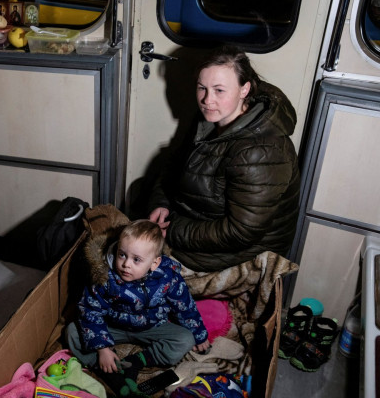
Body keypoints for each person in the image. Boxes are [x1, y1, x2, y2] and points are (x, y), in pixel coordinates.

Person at [148, 45, 300, 272]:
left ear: (244, 89)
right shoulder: (211, 118)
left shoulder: (260, 151)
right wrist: (162, 204)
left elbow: (240, 232)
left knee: (134, 265)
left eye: (219, 90)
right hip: (199, 223)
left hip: (240, 252)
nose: (207, 100)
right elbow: (175, 166)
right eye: (202, 88)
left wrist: (173, 231)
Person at [66, 220, 209, 397]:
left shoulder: (168, 277)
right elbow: (90, 311)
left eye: (136, 260)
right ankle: (110, 371)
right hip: (113, 327)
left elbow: (184, 306)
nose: (126, 264)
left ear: (154, 263)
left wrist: (199, 334)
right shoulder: (105, 277)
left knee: (185, 340)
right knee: (72, 332)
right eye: (122, 255)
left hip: (152, 326)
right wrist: (103, 349)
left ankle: (135, 362)